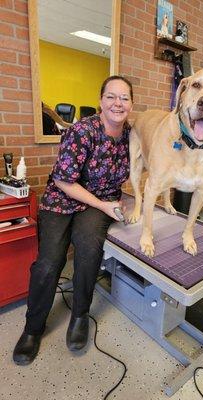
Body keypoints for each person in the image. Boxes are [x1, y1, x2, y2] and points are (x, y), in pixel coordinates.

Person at [13, 75, 133, 365]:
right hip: (64, 198)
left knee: (89, 249)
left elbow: (139, 168)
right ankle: (33, 328)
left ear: (131, 103)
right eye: (111, 97)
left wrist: (134, 197)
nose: (118, 103)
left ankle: (80, 315)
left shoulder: (132, 134)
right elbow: (64, 181)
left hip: (99, 201)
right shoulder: (82, 131)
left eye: (124, 98)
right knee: (50, 262)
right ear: (100, 101)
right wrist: (104, 205)